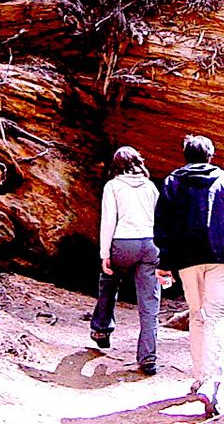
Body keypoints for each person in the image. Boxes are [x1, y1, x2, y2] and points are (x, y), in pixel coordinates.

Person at [154, 134, 224, 416]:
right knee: (219, 317)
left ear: (185, 154)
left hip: (187, 259)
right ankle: (213, 381)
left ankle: (199, 378)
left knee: (197, 315)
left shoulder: (173, 182)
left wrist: (165, 262)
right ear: (211, 155)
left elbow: (163, 223)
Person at [89, 146, 162, 376]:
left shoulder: (113, 186)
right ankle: (148, 358)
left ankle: (101, 329)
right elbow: (160, 217)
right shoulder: (150, 187)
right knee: (149, 303)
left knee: (109, 281)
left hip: (124, 242)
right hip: (150, 243)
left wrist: (104, 254)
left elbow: (108, 220)